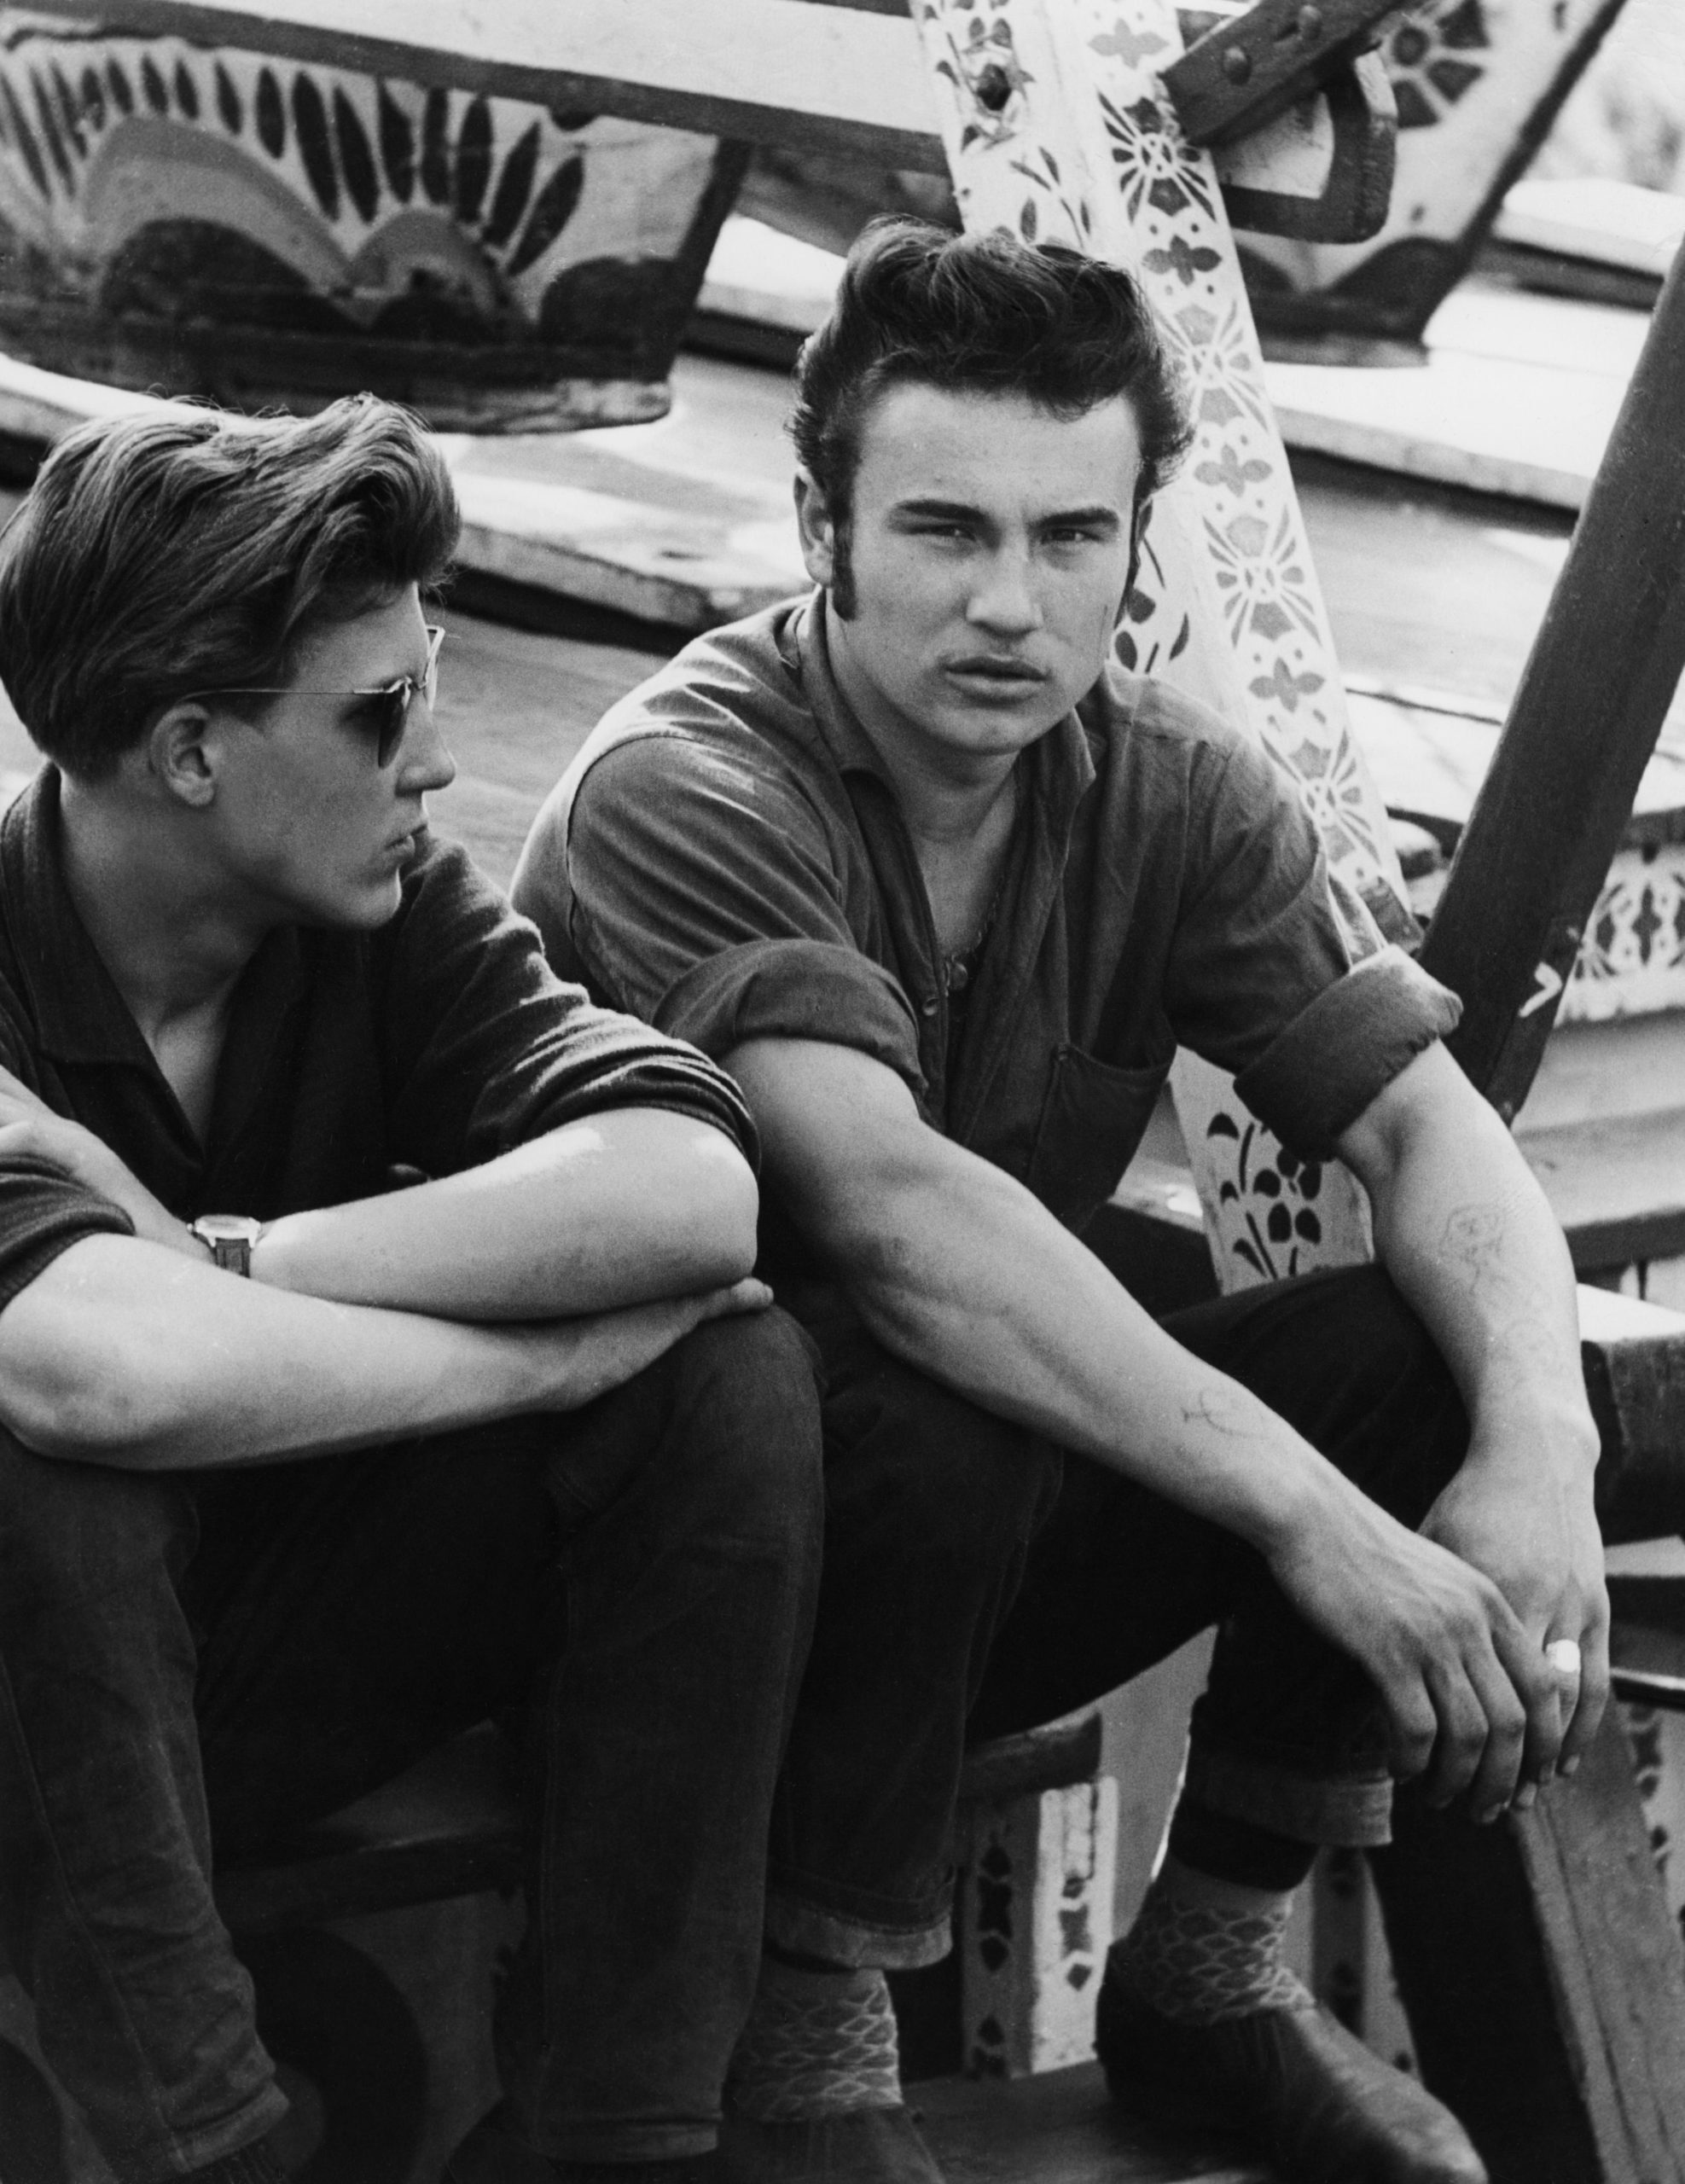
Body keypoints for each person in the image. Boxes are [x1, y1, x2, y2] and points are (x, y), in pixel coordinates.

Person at [513, 221, 1610, 2184]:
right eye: (943, 529)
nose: (1011, 604)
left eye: (1071, 536)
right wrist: (1321, 1527)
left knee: (1405, 1348)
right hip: (633, 1564)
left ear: (1131, 538)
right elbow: (892, 1225)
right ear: (818, 518)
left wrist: (1541, 1447)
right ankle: (808, 2041)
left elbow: (1435, 1139)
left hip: (954, 1553)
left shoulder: (1166, 787)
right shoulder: (686, 784)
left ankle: (1204, 1971)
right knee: (920, 1384)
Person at [0, 398, 828, 2184]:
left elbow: (692, 1184)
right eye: (379, 714)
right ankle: (207, 2150)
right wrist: (528, 1364)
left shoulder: (380, 907)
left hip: (253, 1664)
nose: (438, 759)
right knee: (40, 1475)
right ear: (192, 750)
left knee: (726, 1378)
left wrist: (238, 1263)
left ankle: (618, 2137)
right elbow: (93, 1378)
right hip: (29, 1720)